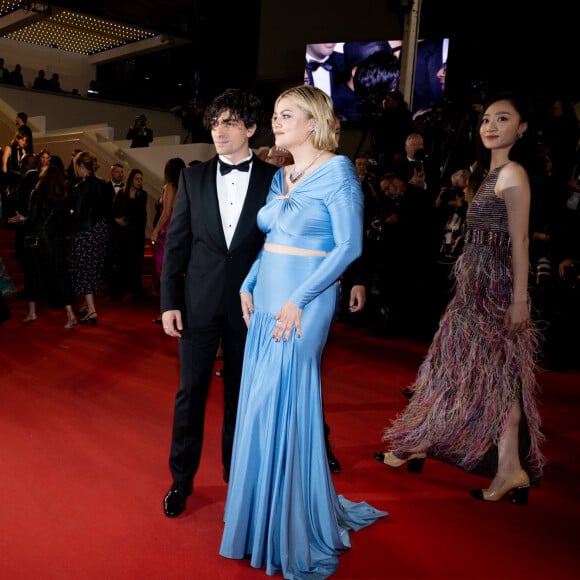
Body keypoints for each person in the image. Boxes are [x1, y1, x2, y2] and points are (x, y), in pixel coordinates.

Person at [219, 85, 387, 578]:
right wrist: (249, 284)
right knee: (257, 404)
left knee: (284, 402)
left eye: (285, 114)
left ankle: (289, 521)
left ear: (312, 121)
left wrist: (300, 299)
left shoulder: (337, 171)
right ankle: (258, 519)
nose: (276, 121)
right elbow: (268, 236)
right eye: (274, 113)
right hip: (268, 296)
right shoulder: (284, 174)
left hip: (304, 301)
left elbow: (348, 247)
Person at [374, 91, 546, 504]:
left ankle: (501, 466)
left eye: (503, 119)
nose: (491, 125)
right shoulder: (488, 174)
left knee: (490, 375)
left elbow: (520, 241)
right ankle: (488, 462)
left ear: (521, 129)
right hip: (473, 289)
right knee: (463, 369)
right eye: (487, 118)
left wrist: (520, 299)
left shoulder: (514, 175)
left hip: (496, 291)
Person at [160, 88, 277, 518]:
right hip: (198, 303)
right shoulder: (191, 178)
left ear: (250, 128)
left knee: (242, 395)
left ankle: (237, 475)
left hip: (252, 308)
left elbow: (280, 245)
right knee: (190, 393)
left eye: (230, 122)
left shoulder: (273, 178)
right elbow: (176, 245)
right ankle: (181, 480)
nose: (219, 130)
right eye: (215, 121)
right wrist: (169, 300)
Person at [20, 165, 76, 328]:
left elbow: (32, 219)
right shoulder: (63, 195)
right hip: (57, 242)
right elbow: (67, 222)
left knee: (33, 276)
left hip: (39, 243)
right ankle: (70, 313)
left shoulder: (37, 193)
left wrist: (22, 220)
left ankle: (32, 312)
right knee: (60, 277)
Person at [69, 151, 112, 326]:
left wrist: (69, 214)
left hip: (86, 231)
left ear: (80, 166)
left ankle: (92, 311)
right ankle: (88, 306)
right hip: (101, 230)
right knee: (93, 269)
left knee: (83, 270)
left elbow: (78, 215)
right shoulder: (104, 185)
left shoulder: (80, 188)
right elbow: (109, 210)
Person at [150, 157, 185, 321]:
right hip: (178, 231)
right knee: (174, 272)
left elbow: (165, 213)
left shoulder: (170, 186)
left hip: (167, 233)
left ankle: (165, 311)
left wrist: (155, 231)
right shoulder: (184, 185)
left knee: (164, 272)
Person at [109, 168, 148, 301]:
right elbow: (112, 212)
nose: (139, 181)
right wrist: (117, 220)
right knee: (122, 262)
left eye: (141, 179)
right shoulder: (121, 193)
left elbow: (142, 216)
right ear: (131, 179)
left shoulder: (143, 195)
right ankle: (119, 290)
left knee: (136, 263)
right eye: (137, 178)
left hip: (136, 234)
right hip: (123, 234)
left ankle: (135, 290)